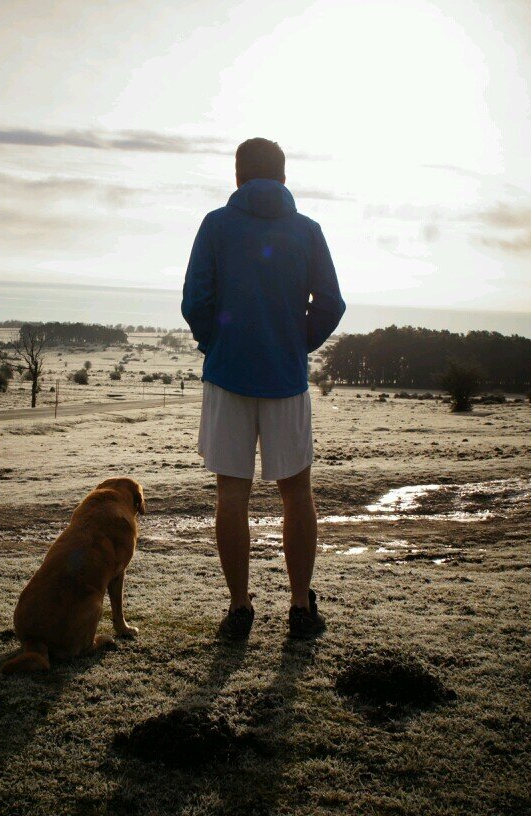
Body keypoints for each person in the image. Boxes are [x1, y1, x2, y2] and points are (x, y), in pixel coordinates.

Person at [181, 137, 346, 641]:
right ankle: (300, 608)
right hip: (286, 378)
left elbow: (195, 300)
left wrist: (219, 344)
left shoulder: (215, 224)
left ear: (237, 177)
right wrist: (296, 344)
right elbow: (332, 303)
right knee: (297, 493)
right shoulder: (307, 230)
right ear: (284, 177)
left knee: (232, 493)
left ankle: (238, 611)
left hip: (228, 378)